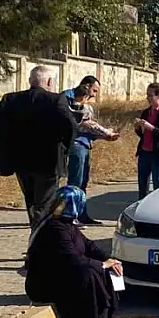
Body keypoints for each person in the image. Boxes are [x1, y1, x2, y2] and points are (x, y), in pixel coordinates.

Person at [0, 65, 77, 272]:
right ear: (49, 82)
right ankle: (36, 256)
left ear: (30, 81)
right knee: (44, 209)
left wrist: (5, 143)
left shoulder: (11, 99)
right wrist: (64, 149)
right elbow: (71, 127)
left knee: (33, 206)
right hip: (47, 164)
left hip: (21, 164)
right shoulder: (56, 100)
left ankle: (37, 250)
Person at [25, 186, 121, 318]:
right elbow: (72, 259)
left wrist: (109, 260)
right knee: (87, 274)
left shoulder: (66, 224)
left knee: (100, 270)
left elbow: (89, 246)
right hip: (44, 283)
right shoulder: (55, 228)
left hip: (62, 273)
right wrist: (101, 265)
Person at [65, 83, 119, 225]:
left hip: (84, 144)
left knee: (82, 182)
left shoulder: (81, 103)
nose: (94, 95)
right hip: (76, 145)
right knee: (75, 183)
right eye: (93, 91)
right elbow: (86, 124)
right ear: (86, 88)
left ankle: (81, 214)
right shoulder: (70, 101)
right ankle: (70, 216)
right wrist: (106, 132)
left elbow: (88, 129)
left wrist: (104, 136)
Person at [135, 82, 159, 199]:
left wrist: (151, 128)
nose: (148, 98)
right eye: (147, 95)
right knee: (142, 184)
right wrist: (138, 128)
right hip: (144, 152)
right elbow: (143, 135)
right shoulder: (146, 112)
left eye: (150, 95)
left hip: (158, 154)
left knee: (158, 184)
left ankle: (157, 207)